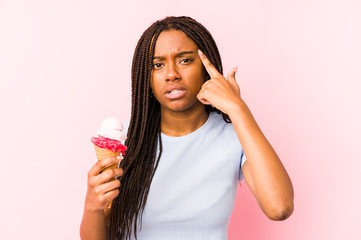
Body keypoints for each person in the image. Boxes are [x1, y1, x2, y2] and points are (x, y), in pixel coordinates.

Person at [80, 16, 294, 240]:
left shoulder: (235, 136)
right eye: (158, 65)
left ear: (205, 66)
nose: (171, 74)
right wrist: (92, 206)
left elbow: (279, 207)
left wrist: (238, 109)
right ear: (147, 77)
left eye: (185, 60)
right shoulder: (123, 139)